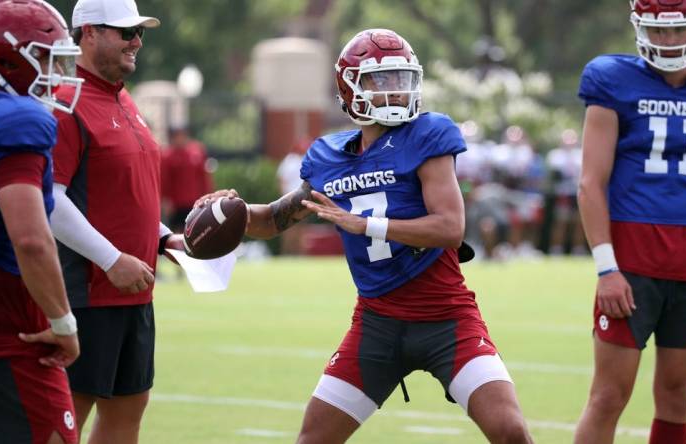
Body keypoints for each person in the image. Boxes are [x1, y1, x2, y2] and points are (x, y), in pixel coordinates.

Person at [198, 29, 533, 443]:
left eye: (401, 78)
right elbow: (271, 220)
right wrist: (227, 211)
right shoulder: (328, 158)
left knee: (511, 431)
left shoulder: (427, 135)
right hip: (377, 325)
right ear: (348, 87)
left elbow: (450, 228)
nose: (395, 90)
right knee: (313, 439)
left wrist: (368, 225)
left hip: (446, 319)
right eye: (382, 80)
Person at [574, 1, 686, 443]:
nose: (668, 42)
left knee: (677, 394)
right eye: (658, 31)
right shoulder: (612, 78)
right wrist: (606, 267)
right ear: (639, 28)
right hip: (632, 251)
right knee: (609, 396)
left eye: (679, 30)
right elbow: (591, 183)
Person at [50, 0, 184, 442]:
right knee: (66, 416)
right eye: (125, 32)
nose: (137, 41)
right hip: (87, 291)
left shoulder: (122, 97)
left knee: (128, 412)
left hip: (133, 292)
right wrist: (110, 259)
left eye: (139, 32)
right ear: (88, 33)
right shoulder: (66, 101)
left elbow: (125, 193)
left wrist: (166, 239)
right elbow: (49, 200)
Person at [0, 1, 83, 443]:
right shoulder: (18, 121)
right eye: (46, 57)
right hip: (15, 332)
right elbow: (31, 239)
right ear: (9, 59)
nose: (56, 72)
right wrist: (63, 321)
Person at [161, 125, 213, 234]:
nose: (180, 138)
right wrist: (166, 200)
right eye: (177, 136)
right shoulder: (167, 156)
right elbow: (164, 180)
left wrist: (209, 195)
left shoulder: (197, 151)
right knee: (178, 232)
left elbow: (204, 177)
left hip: (196, 202)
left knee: (197, 231)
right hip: (177, 205)